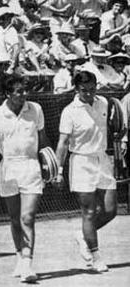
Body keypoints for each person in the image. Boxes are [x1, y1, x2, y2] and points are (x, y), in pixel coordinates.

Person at [0, 74, 50, 283]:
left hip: (31, 166)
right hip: (8, 168)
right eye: (18, 91)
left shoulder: (35, 109)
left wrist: (51, 164)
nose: (23, 94)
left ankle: (28, 263)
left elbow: (43, 138)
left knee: (27, 217)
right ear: (7, 94)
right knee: (14, 218)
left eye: (24, 90)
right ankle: (19, 255)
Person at [53, 71, 122, 272]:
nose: (89, 94)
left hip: (102, 160)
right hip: (81, 162)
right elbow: (63, 143)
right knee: (89, 213)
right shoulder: (69, 111)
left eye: (92, 90)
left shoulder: (104, 103)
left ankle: (82, 235)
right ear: (76, 89)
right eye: (84, 91)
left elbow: (115, 126)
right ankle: (95, 256)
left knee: (110, 210)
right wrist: (59, 170)